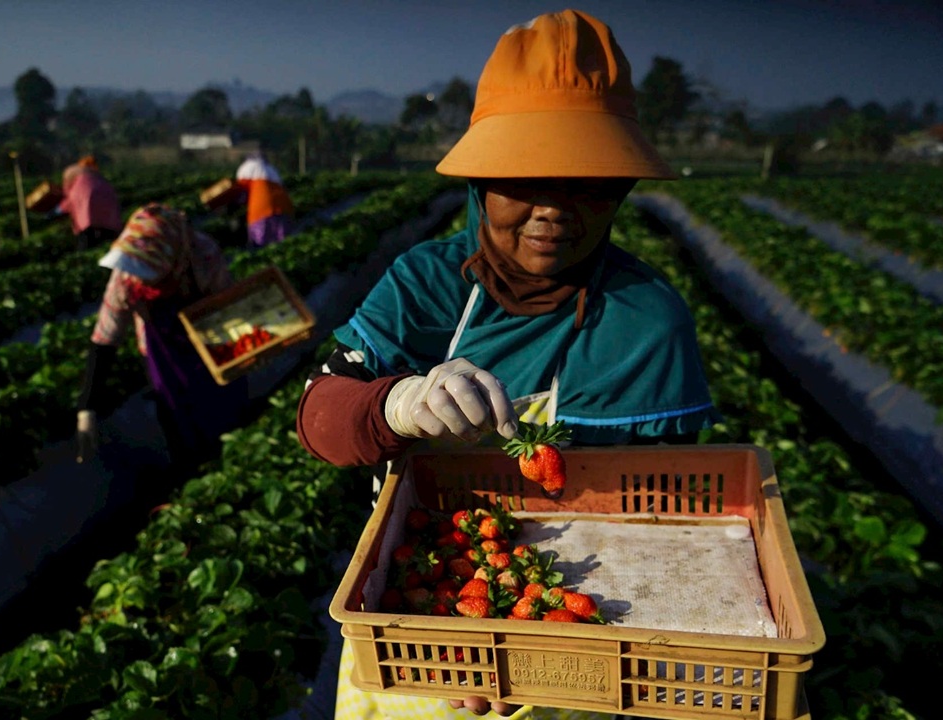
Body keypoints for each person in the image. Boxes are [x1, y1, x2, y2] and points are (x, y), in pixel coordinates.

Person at [295, 9, 721, 719]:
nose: (553, 209)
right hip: (426, 630)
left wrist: (543, 639)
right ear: (481, 181)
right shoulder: (426, 284)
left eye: (587, 183)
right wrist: (392, 404)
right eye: (524, 178)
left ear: (620, 190)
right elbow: (317, 416)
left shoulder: (647, 318)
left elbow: (667, 527)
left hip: (589, 645)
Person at [75, 203, 249, 470]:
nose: (143, 281)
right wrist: (87, 407)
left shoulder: (203, 255)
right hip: (163, 356)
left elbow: (227, 309)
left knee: (223, 415)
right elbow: (106, 337)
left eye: (151, 274)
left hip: (209, 343)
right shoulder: (127, 274)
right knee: (175, 420)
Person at [58, 154, 122, 252]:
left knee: (86, 238)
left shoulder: (77, 183)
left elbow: (70, 200)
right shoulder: (98, 178)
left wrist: (58, 210)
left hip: (88, 215)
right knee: (107, 238)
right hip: (108, 213)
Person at [233, 150, 294, 248]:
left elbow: (240, 193)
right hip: (284, 209)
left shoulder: (245, 168)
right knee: (282, 245)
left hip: (261, 210)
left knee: (260, 245)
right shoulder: (271, 169)